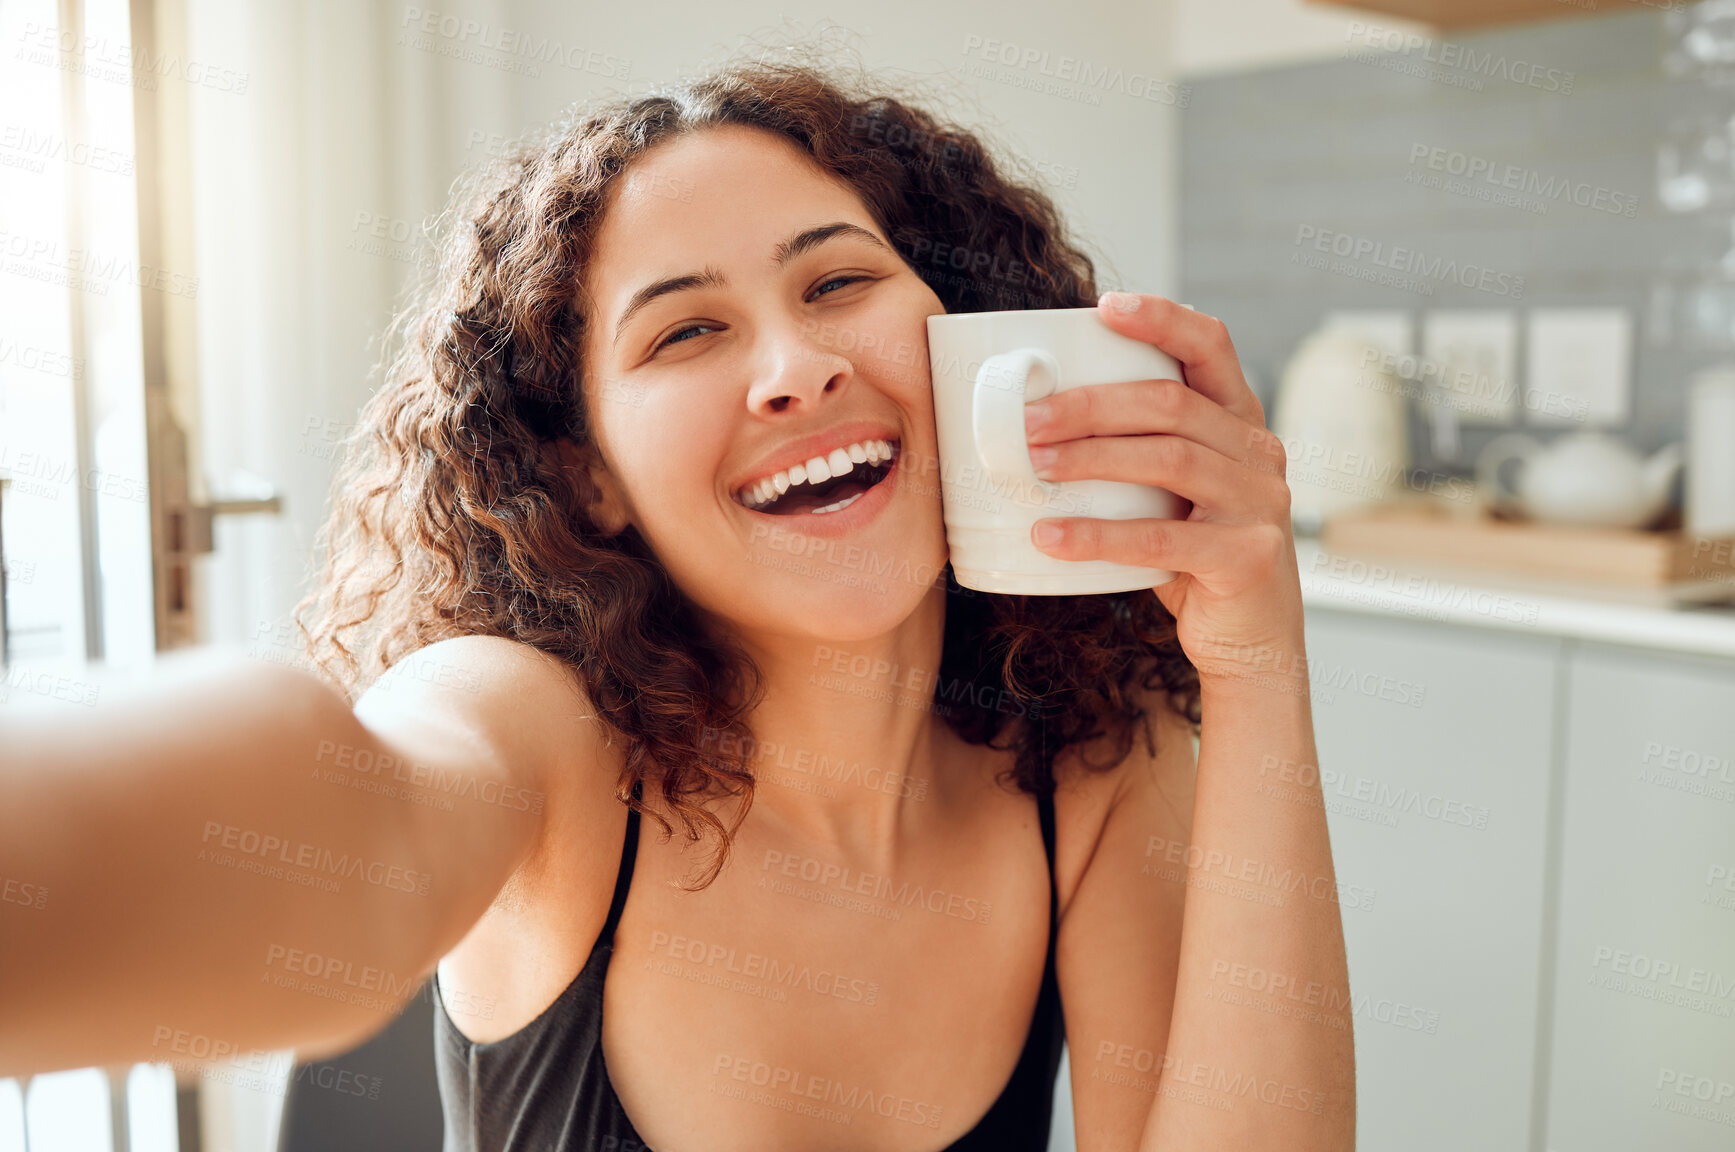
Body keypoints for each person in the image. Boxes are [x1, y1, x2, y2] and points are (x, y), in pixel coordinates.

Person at [0, 54, 1352, 1152]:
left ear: (962, 340)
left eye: (838, 282)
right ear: (586, 479)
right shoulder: (541, 737)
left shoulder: (1089, 760)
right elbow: (346, 827)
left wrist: (1256, 658)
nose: (797, 367)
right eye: (686, 331)